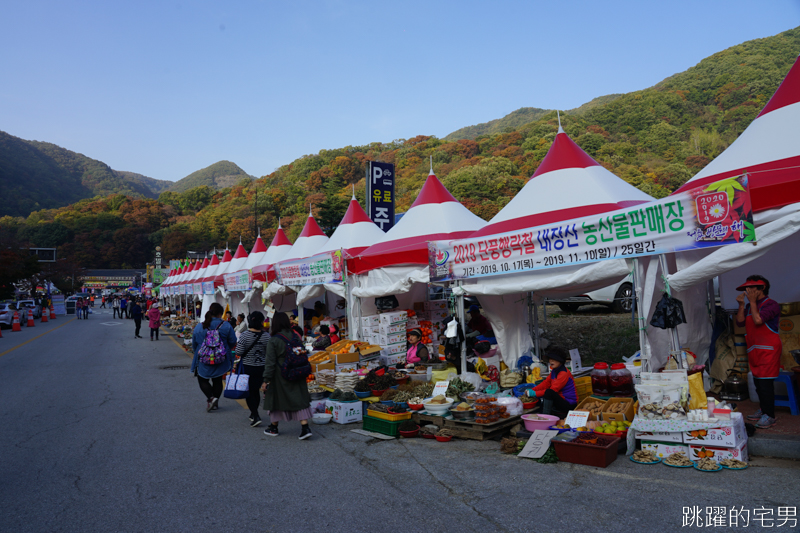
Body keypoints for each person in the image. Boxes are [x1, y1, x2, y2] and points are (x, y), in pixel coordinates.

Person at [736, 275, 782, 429]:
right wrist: (742, 305)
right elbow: (740, 322)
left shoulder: (772, 305)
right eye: (746, 288)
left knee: (765, 384)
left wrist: (753, 302)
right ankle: (763, 410)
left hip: (768, 350)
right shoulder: (749, 306)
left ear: (762, 288)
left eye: (751, 288)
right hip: (754, 350)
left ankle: (770, 416)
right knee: (757, 382)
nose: (748, 291)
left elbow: (758, 320)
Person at [261, 312, 313, 439]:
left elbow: (270, 363)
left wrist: (266, 380)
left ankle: (274, 427)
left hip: (280, 375)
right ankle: (305, 427)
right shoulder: (295, 336)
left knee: (275, 400)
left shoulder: (273, 340)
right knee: (299, 398)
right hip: (297, 372)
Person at [192, 303, 237, 412]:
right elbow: (233, 341)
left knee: (202, 378)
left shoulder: (200, 326)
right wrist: (224, 349)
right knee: (217, 380)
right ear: (221, 313)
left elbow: (195, 343)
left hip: (204, 358)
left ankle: (211, 398)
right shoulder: (226, 326)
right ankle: (215, 401)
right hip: (221, 358)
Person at [235, 311, 271, 427]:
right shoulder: (266, 336)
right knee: (256, 390)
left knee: (250, 391)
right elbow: (270, 353)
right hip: (261, 367)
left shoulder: (245, 335)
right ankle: (253, 413)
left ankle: (255, 415)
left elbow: (239, 352)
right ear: (261, 322)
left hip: (248, 367)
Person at [527, 347, 578, 416]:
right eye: (550, 359)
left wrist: (534, 393)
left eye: (554, 359)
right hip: (560, 401)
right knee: (543, 397)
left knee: (549, 392)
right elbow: (545, 383)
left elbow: (553, 390)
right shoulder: (554, 371)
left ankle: (546, 417)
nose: (551, 361)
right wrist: (533, 390)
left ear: (560, 361)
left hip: (568, 404)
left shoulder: (564, 373)